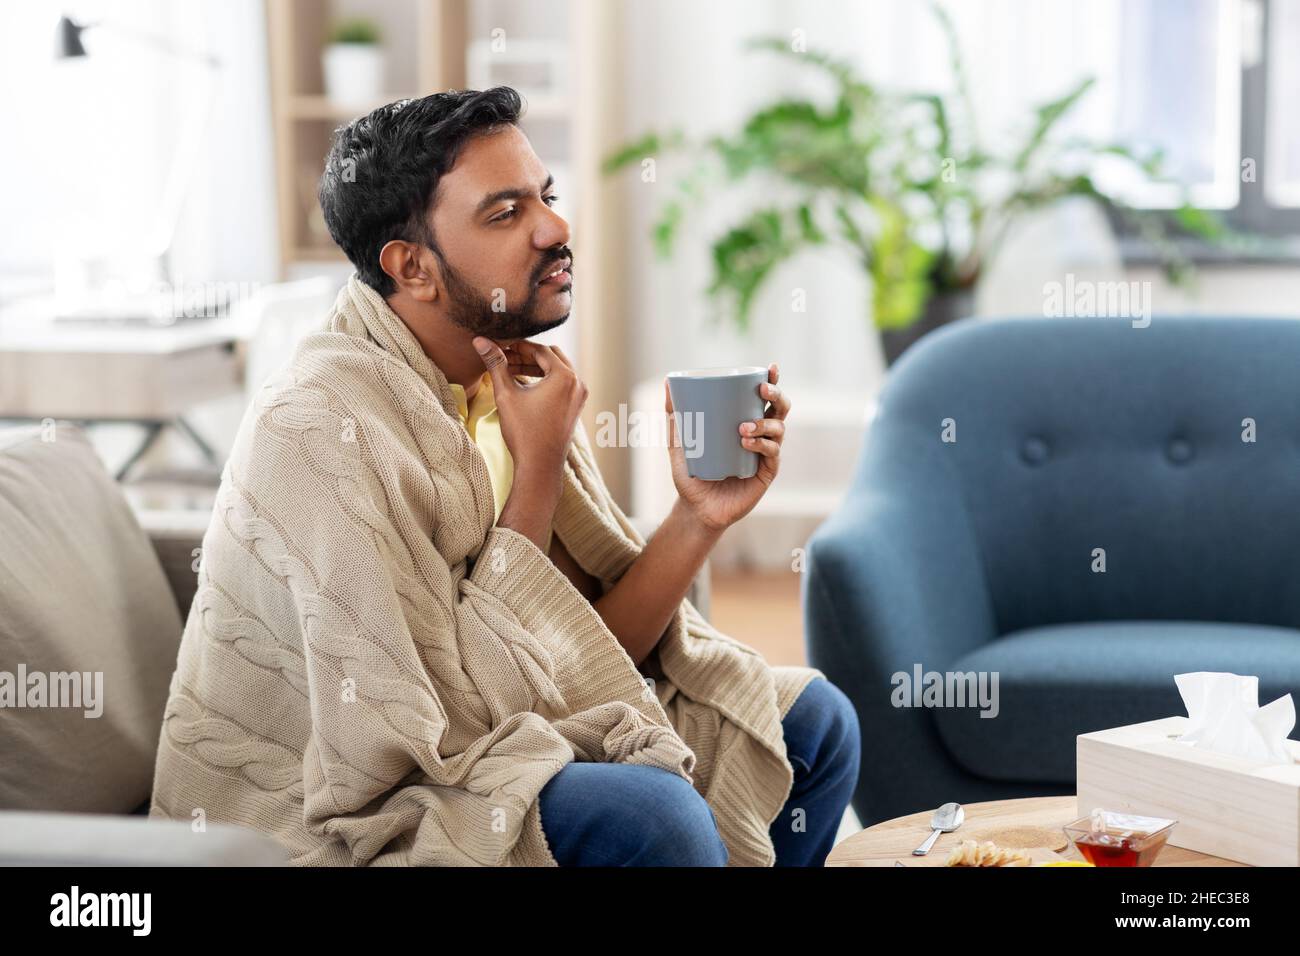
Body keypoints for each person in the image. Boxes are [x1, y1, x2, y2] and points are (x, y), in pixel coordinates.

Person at [148, 86, 859, 867]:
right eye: (505, 212)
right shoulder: (320, 431)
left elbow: (579, 658)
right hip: (361, 798)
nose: (555, 228)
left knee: (813, 724)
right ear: (411, 266)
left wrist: (700, 517)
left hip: (501, 730)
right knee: (650, 815)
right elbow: (447, 731)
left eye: (547, 197)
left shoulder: (501, 378)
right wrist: (539, 470)